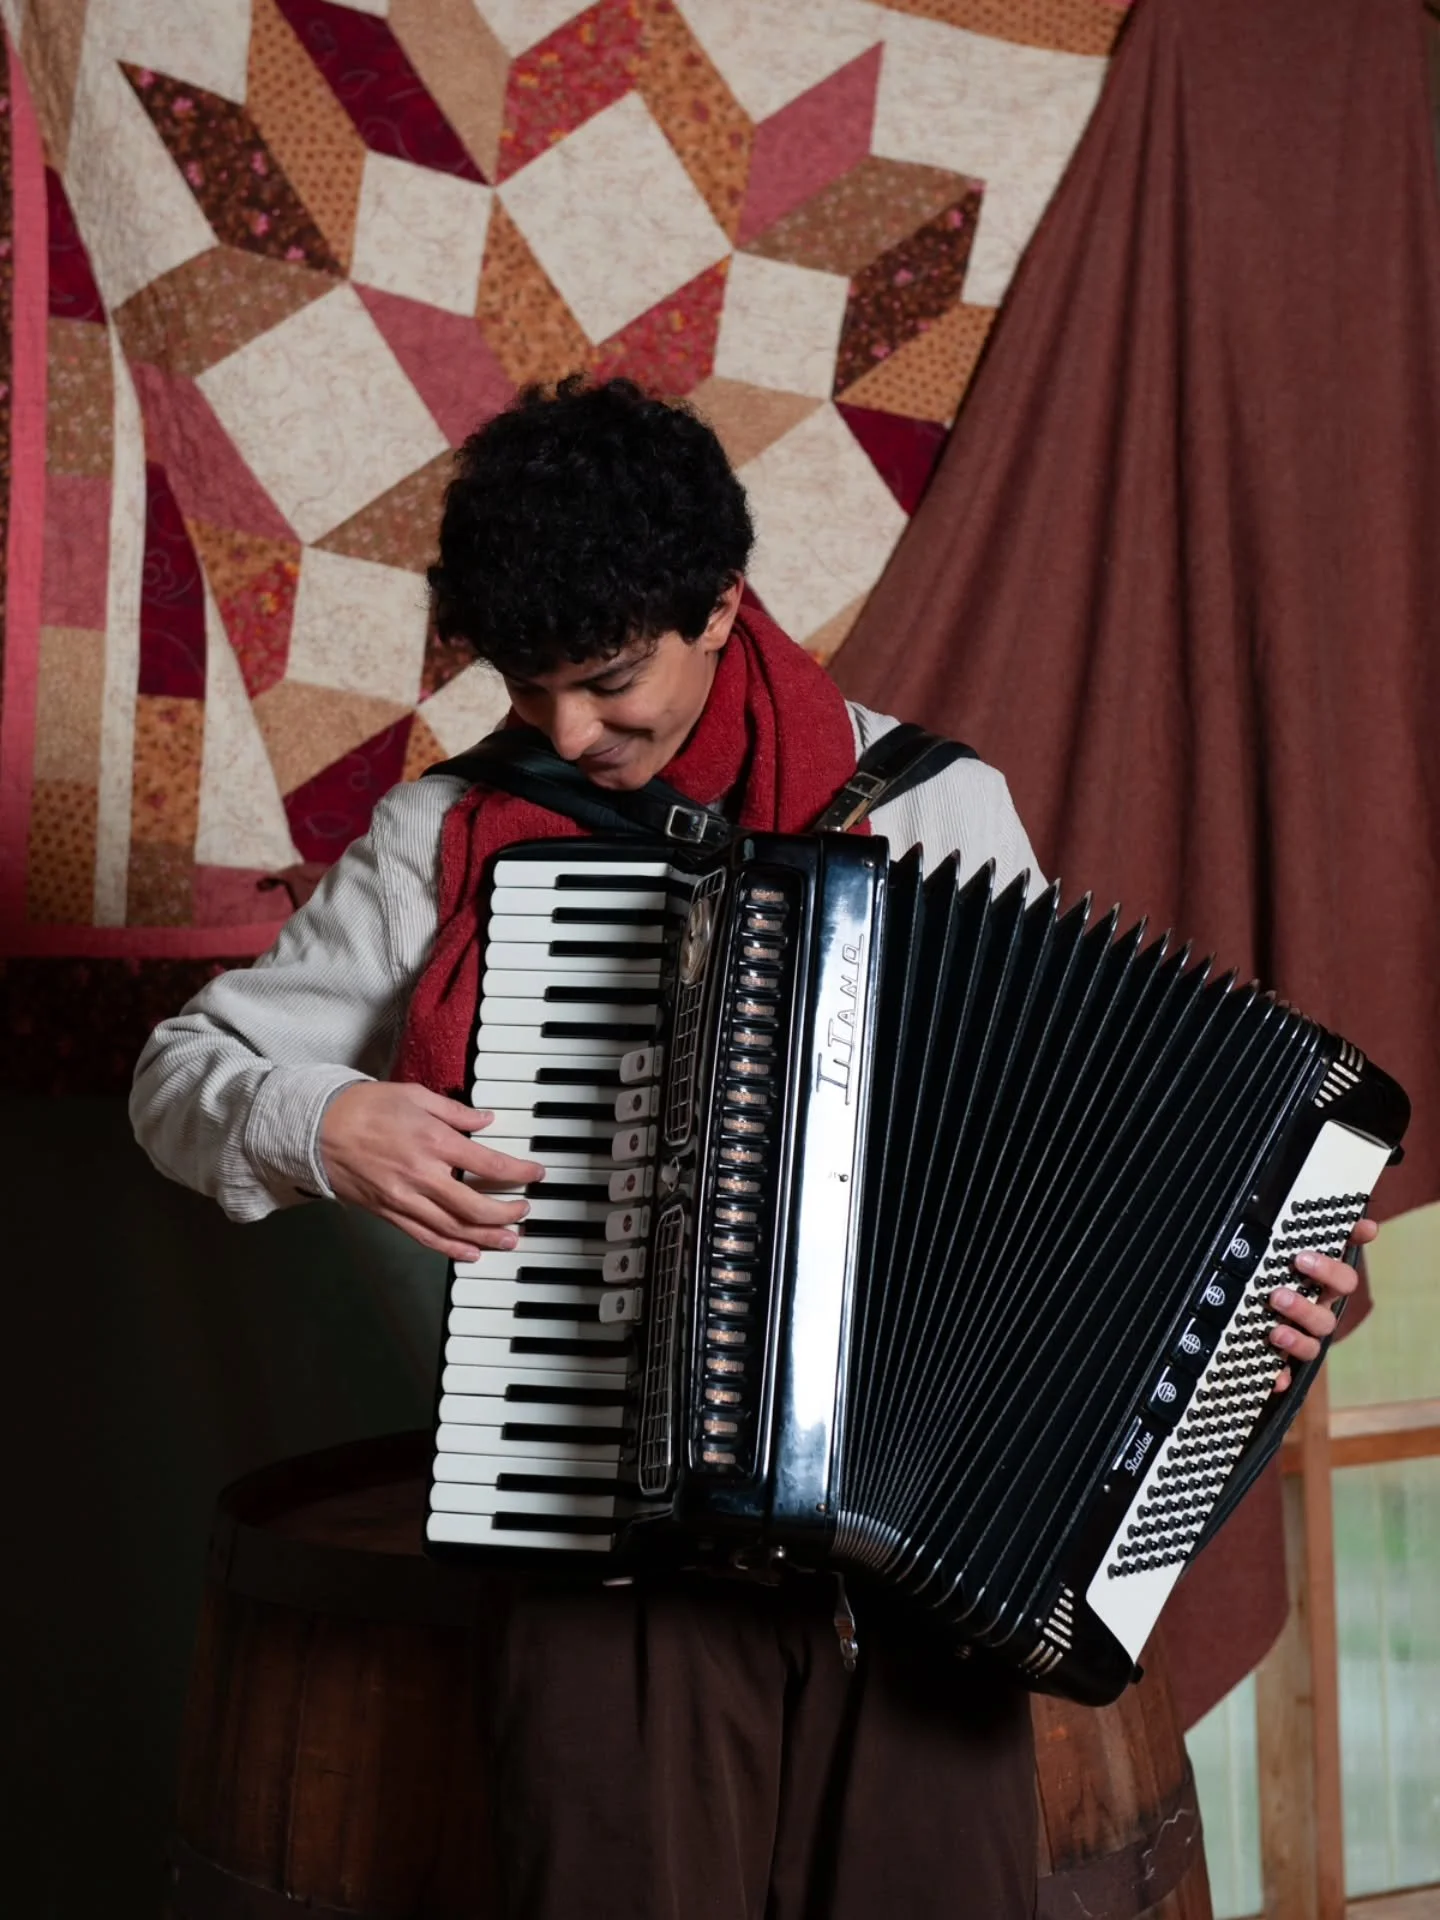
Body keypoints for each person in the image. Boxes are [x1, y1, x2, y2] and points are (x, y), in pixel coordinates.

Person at [132, 377, 1370, 1919]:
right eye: (529, 690)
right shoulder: (448, 835)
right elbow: (184, 1075)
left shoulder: (934, 806)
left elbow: (1074, 1176)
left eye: (606, 679)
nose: (570, 734)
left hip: (917, 1586)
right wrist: (322, 1118)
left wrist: (1263, 1290)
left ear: (721, 608)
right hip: (602, 1562)